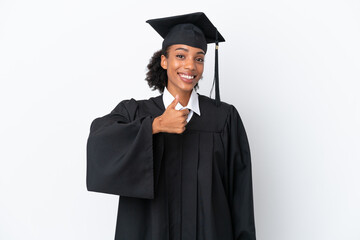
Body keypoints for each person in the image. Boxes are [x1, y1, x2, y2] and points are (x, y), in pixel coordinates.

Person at [87, 12, 256, 240]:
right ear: (164, 61)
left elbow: (241, 196)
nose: (190, 66)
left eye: (199, 58)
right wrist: (154, 126)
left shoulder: (224, 118)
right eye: (180, 55)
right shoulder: (135, 113)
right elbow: (99, 139)